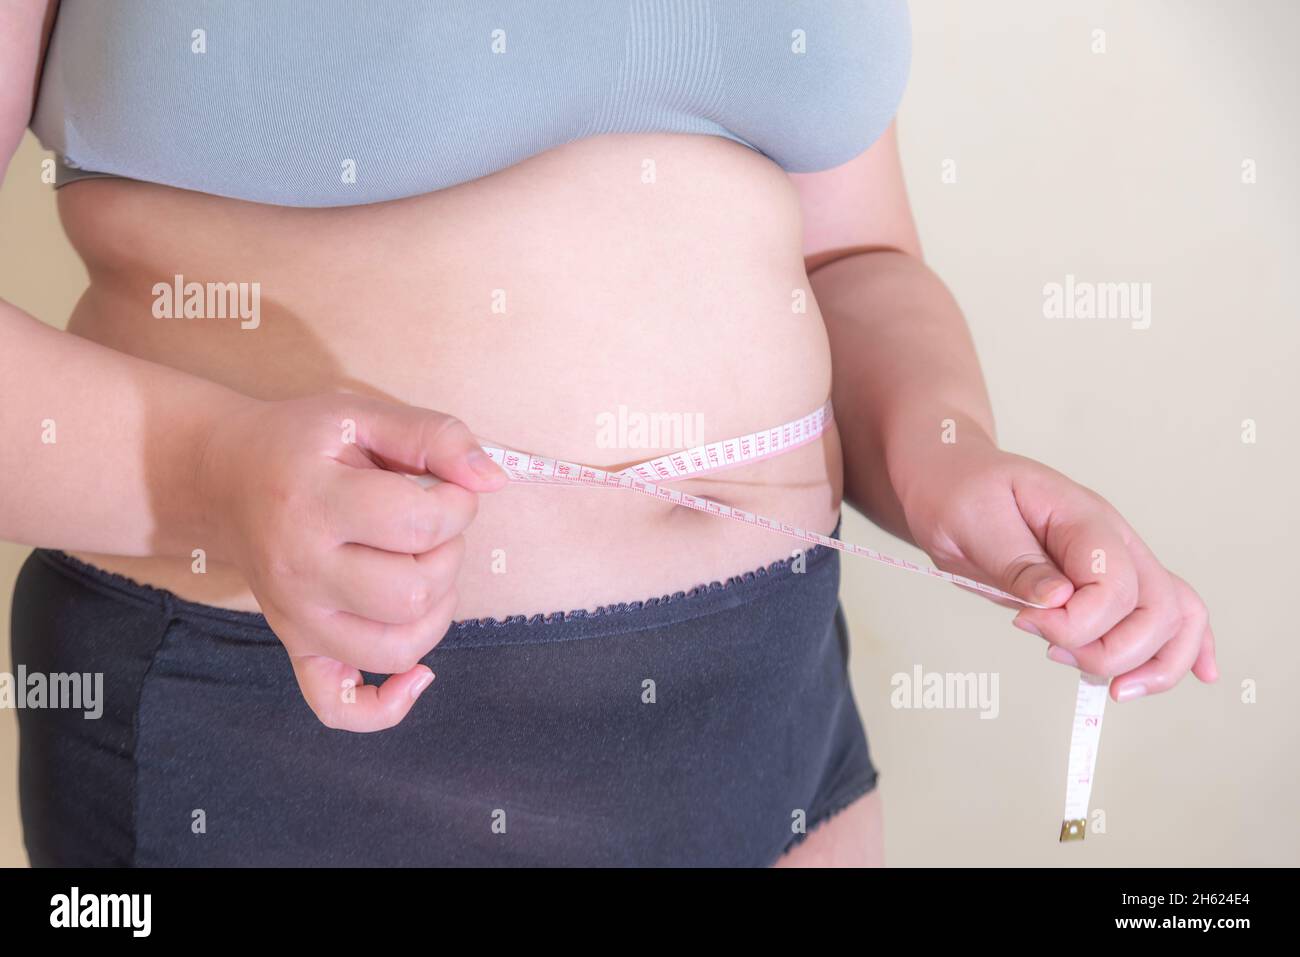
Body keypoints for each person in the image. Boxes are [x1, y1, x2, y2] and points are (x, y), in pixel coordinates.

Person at [1, 0, 1215, 867]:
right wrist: (212, 477)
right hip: (287, 732)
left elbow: (854, 258)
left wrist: (947, 456)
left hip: (768, 706)